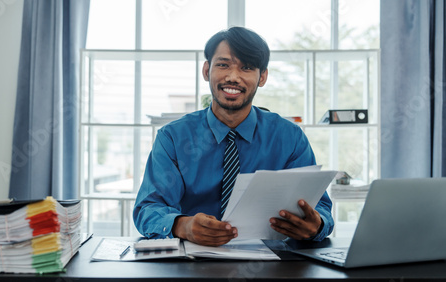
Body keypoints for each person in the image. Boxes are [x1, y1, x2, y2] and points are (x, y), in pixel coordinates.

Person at [133, 27, 334, 247]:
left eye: (246, 67)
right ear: (206, 70)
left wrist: (316, 226)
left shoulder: (290, 137)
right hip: (192, 261)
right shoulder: (172, 137)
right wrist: (183, 226)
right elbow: (149, 208)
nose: (233, 77)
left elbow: (320, 208)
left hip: (274, 264)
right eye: (223, 65)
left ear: (262, 77)